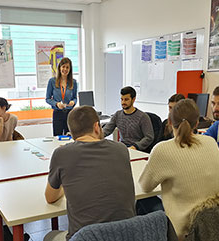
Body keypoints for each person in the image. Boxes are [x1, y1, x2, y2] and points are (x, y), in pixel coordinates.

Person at [44, 106, 136, 241]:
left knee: (49, 236)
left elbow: (50, 197)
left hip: (85, 237)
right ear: (97, 127)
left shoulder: (62, 154)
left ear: (72, 132)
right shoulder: (121, 149)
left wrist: (66, 184)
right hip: (126, 234)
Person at [139, 99, 219, 240]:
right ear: (197, 123)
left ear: (170, 122)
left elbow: (145, 186)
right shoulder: (211, 142)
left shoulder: (163, 149)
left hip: (180, 230)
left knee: (142, 202)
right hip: (210, 224)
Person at [103, 86, 154, 151]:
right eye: (122, 99)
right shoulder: (118, 114)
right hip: (122, 147)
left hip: (136, 149)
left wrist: (135, 146)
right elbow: (107, 130)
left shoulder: (143, 117)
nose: (123, 102)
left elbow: (149, 137)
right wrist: (94, 137)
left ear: (133, 99)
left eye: (126, 99)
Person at [45, 57, 78, 136]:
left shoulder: (73, 82)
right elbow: (48, 99)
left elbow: (75, 98)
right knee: (57, 137)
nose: (65, 69)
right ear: (59, 68)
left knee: (69, 136)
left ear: (70, 69)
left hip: (70, 114)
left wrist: (73, 102)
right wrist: (56, 104)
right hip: (58, 113)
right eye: (63, 67)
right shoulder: (52, 81)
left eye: (67, 67)